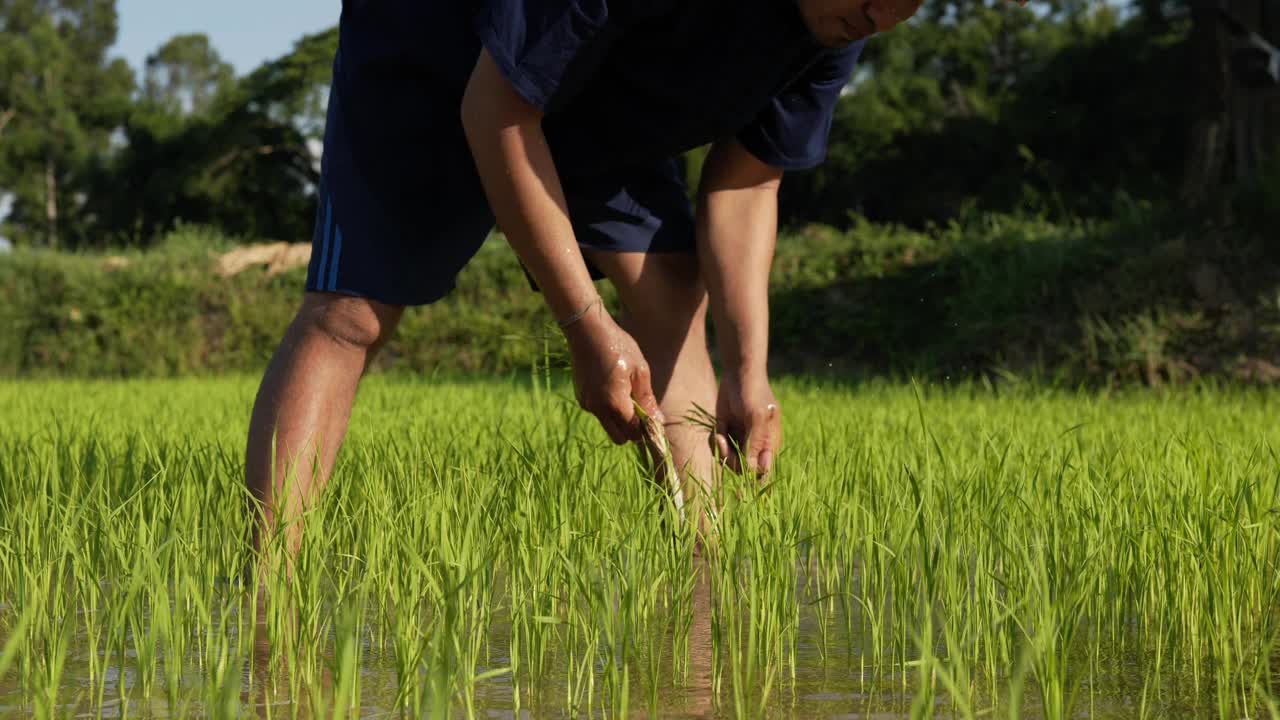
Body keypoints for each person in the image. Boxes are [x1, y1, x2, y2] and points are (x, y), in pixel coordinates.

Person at [245, 0, 926, 550]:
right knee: (352, 314)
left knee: (670, 282)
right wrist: (584, 323)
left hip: (595, 87)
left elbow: (744, 186)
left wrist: (747, 371)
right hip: (437, 45)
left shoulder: (842, 27)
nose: (889, 17)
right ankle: (269, 595)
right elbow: (497, 112)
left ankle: (704, 583)